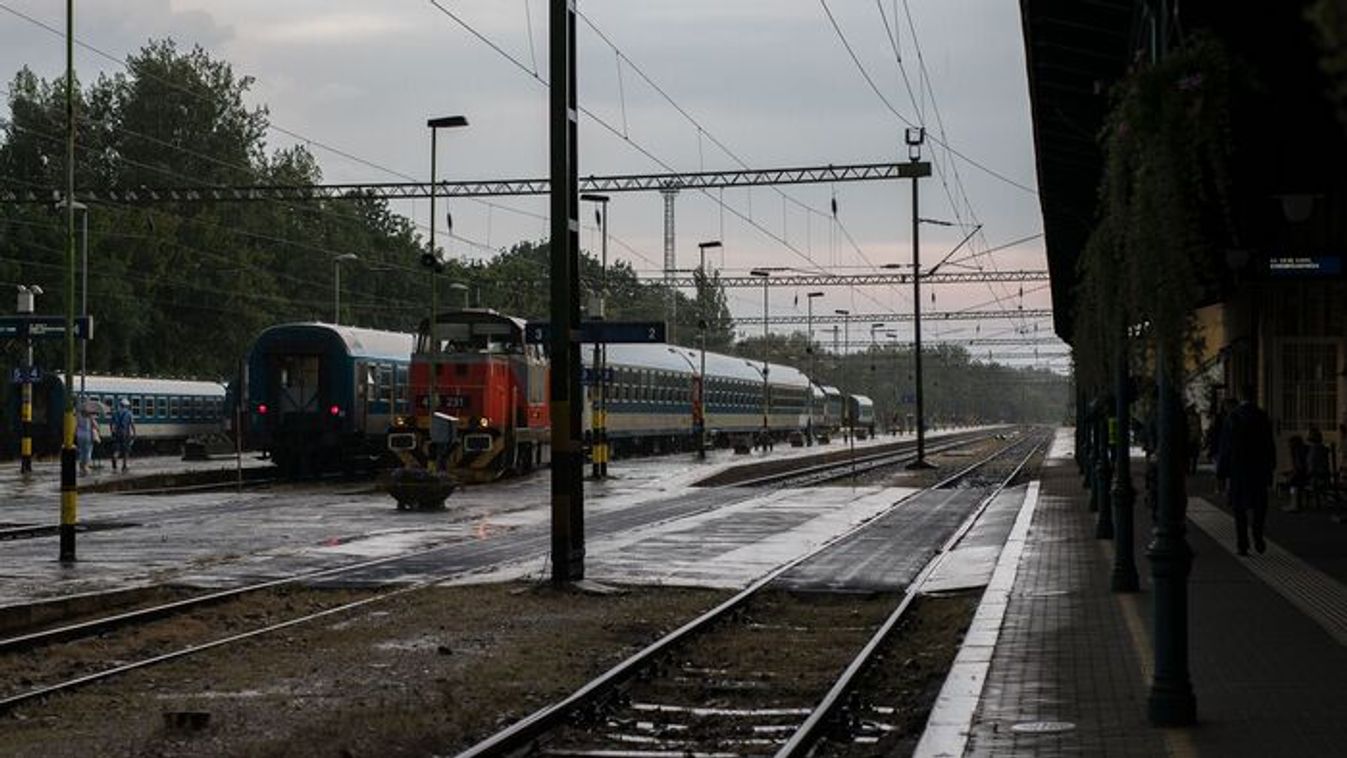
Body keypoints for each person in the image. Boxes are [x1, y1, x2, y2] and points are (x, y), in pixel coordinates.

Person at [1216, 384, 1276, 555]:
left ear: (1240, 396)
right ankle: (1258, 534)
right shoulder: (1262, 416)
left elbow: (1225, 447)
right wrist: (1271, 466)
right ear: (1255, 396)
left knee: (1239, 508)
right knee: (1259, 505)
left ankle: (1242, 544)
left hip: (1238, 468)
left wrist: (1221, 472)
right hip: (1258, 467)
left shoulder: (1233, 417)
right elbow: (1269, 444)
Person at [110, 398, 137, 472]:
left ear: (120, 405)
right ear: (126, 406)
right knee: (126, 451)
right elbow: (132, 424)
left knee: (117, 449)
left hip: (117, 433)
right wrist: (134, 434)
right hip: (126, 434)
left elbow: (111, 424)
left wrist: (112, 431)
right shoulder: (129, 413)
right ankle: (124, 466)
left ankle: (114, 461)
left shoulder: (115, 413)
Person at [75, 403, 99, 476]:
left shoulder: (78, 417)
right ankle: (86, 467)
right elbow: (96, 426)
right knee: (88, 451)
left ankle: (81, 467)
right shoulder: (90, 417)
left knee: (81, 451)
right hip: (87, 435)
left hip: (79, 435)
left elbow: (76, 426)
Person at [1185, 402, 1203, 474]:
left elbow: (1199, 426)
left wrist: (1200, 435)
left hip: (1194, 437)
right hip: (1189, 437)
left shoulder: (1196, 416)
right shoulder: (1187, 416)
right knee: (1189, 455)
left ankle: (1192, 469)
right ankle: (1189, 469)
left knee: (1194, 455)